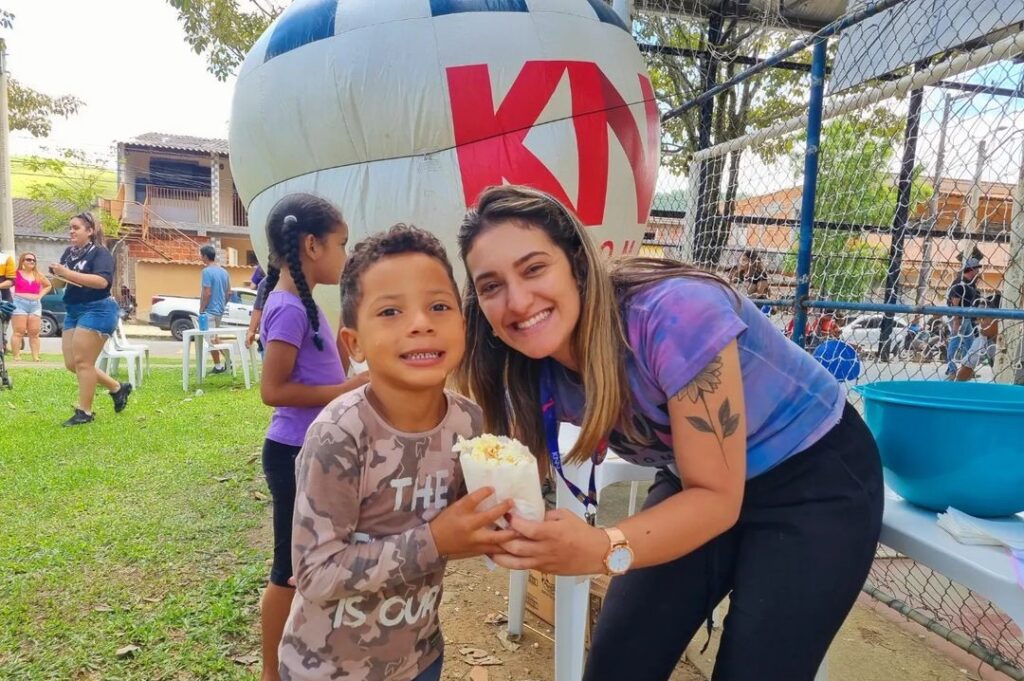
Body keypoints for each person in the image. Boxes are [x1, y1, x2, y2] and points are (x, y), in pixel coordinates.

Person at [456, 185, 883, 681]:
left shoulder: (675, 314)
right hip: (693, 476)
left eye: (534, 269)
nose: (517, 301)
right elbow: (500, 470)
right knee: (618, 666)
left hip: (813, 476)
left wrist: (598, 547)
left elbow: (716, 500)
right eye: (491, 286)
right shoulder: (520, 362)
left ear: (577, 263)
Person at [279, 224, 515, 681]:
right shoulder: (340, 435)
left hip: (420, 657)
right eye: (390, 311)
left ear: (463, 324)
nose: (421, 323)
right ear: (355, 343)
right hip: (329, 668)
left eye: (439, 306)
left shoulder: (468, 423)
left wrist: (504, 527)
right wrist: (436, 541)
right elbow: (315, 573)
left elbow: (466, 523)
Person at [255, 193, 368, 681]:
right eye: (341, 244)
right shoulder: (288, 308)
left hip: (314, 449)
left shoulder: (305, 303)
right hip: (293, 453)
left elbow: (327, 368)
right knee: (288, 568)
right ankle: (270, 672)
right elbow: (273, 390)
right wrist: (347, 390)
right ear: (311, 245)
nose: (345, 254)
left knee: (316, 560)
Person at [49, 212, 131, 426]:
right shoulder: (69, 254)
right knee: (72, 364)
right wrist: (55, 275)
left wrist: (67, 273)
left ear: (90, 231)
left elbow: (102, 282)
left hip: (98, 309)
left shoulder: (100, 253)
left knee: (83, 362)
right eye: (70, 227)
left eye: (76, 227)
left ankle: (84, 412)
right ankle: (117, 388)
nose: (71, 231)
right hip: (74, 309)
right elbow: (60, 284)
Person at [9, 252, 52, 361]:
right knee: (19, 331)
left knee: (34, 332)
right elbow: (8, 283)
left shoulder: (38, 275)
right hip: (19, 303)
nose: (32, 261)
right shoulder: (16, 274)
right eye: (28, 259)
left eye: (33, 260)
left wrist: (40, 296)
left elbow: (48, 285)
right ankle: (16, 356)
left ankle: (36, 357)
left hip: (35, 304)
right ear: (22, 261)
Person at [198, 245, 232, 374]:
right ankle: (224, 363)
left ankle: (222, 364)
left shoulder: (206, 271)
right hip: (219, 311)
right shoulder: (224, 272)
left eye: (201, 255)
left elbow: (207, 292)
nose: (201, 258)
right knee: (214, 338)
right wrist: (223, 304)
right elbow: (229, 293)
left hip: (210, 311)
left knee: (210, 339)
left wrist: (202, 309)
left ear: (205, 256)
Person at [946, 258, 981, 378]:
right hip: (959, 317)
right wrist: (956, 320)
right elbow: (954, 302)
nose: (978, 272)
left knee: (970, 343)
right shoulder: (959, 283)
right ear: (971, 270)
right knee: (955, 342)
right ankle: (952, 370)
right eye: (976, 269)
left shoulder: (971, 284)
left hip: (966, 317)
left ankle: (966, 370)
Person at [955, 293, 1000, 382]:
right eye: (977, 319)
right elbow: (965, 370)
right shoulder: (983, 340)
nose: (978, 323)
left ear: (1000, 319)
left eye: (982, 318)